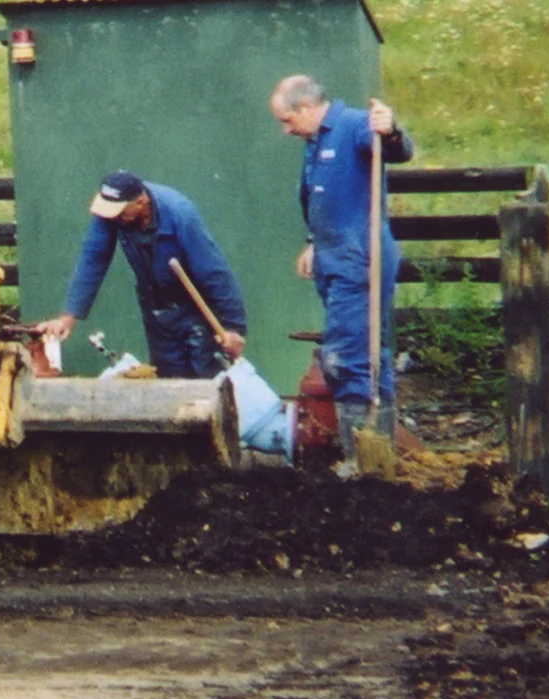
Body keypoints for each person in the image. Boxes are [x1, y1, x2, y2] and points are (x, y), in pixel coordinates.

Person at [269, 73, 415, 459]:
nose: (286, 131)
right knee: (362, 353)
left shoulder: (353, 125)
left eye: (287, 120)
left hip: (359, 258)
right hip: (333, 257)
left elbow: (398, 151)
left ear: (304, 107)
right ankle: (375, 454)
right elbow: (323, 197)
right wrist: (314, 243)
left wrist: (392, 131)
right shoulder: (315, 140)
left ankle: (363, 460)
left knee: (348, 356)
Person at [34, 171, 249, 380]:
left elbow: (213, 271)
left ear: (141, 201)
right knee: (168, 384)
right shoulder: (113, 215)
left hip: (194, 307)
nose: (115, 217)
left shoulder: (179, 214)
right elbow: (93, 258)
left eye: (120, 211)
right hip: (156, 309)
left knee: (208, 382)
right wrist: (68, 318)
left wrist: (234, 328)